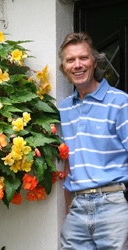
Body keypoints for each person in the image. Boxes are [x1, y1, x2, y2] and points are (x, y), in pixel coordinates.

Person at [58, 32, 128, 249]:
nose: (77, 65)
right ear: (64, 67)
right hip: (77, 210)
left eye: (83, 58)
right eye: (70, 60)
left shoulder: (120, 102)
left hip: (114, 205)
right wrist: (69, 207)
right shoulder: (63, 109)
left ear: (94, 62)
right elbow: (67, 163)